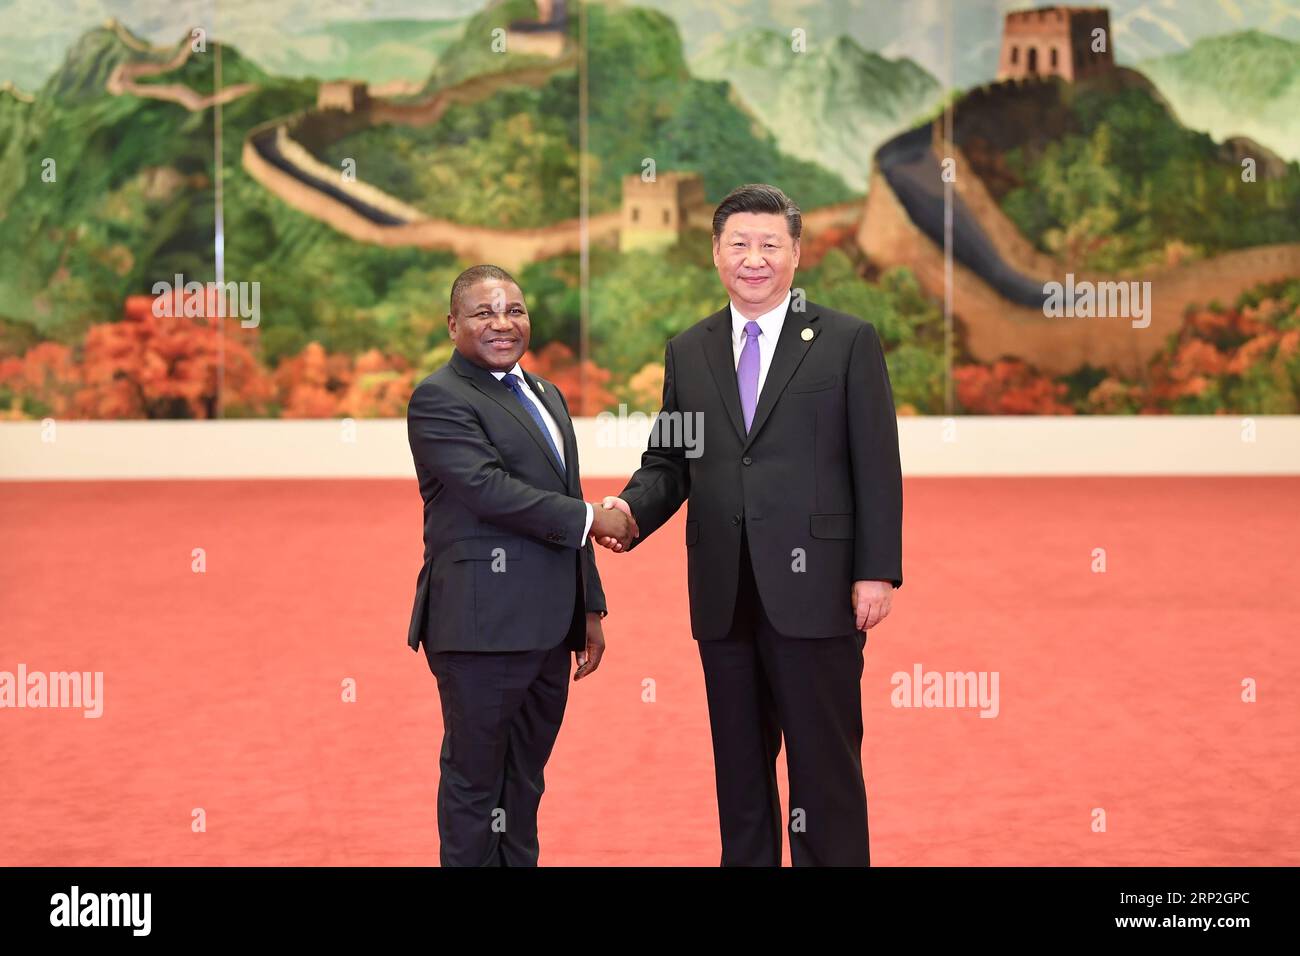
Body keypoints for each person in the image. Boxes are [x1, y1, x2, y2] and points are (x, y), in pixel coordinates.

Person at [595, 184, 903, 866]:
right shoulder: (690, 350)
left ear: (796, 254)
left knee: (824, 776)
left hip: (818, 592)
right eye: (739, 244)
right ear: (715, 253)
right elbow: (670, 460)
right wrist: (627, 511)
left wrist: (874, 571)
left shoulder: (848, 341)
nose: (753, 259)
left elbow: (877, 464)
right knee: (740, 777)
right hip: (725, 593)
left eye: (770, 244)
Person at [406, 264, 637, 866]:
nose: (503, 323)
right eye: (484, 313)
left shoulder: (546, 394)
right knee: (475, 784)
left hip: (548, 626)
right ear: (453, 324)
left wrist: (588, 607)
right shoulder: (439, 398)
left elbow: (566, 488)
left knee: (524, 784)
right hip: (481, 627)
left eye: (515, 310)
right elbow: (487, 489)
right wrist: (591, 517)